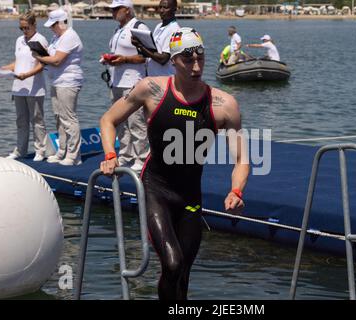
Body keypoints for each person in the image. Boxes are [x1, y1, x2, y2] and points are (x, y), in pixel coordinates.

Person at [100, 27, 249, 300]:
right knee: (172, 263)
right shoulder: (151, 89)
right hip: (156, 189)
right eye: (187, 60)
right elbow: (108, 120)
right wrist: (111, 154)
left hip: (190, 196)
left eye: (200, 59)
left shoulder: (224, 104)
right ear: (173, 61)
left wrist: (236, 190)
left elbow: (241, 158)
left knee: (183, 273)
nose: (196, 67)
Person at [34, 9, 83, 166]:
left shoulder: (70, 36)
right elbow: (51, 55)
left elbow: (57, 60)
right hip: (56, 80)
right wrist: (41, 52)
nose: (51, 28)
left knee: (69, 118)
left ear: (61, 22)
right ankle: (62, 151)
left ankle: (74, 155)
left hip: (68, 81)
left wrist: (39, 57)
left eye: (53, 25)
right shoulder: (56, 36)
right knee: (58, 118)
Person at [0, 11, 49, 161]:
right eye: (21, 28)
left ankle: (40, 151)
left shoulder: (41, 40)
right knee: (21, 120)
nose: (24, 31)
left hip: (34, 88)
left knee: (37, 121)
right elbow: (17, 62)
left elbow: (43, 64)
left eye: (26, 28)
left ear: (34, 25)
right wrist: (2, 68)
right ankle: (20, 150)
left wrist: (27, 75)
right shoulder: (19, 40)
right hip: (18, 88)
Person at [106, 0, 150, 172]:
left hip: (133, 83)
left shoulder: (139, 27)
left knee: (136, 122)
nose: (113, 12)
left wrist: (124, 60)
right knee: (120, 123)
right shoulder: (118, 29)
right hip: (116, 81)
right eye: (112, 9)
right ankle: (126, 154)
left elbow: (146, 56)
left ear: (127, 10)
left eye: (116, 9)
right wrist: (109, 59)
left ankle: (142, 156)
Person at [132, 0, 180, 76]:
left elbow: (163, 59)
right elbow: (152, 52)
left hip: (165, 78)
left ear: (175, 9)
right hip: (153, 77)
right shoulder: (158, 26)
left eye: (165, 7)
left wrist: (141, 46)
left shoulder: (174, 29)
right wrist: (139, 44)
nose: (161, 10)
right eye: (160, 7)